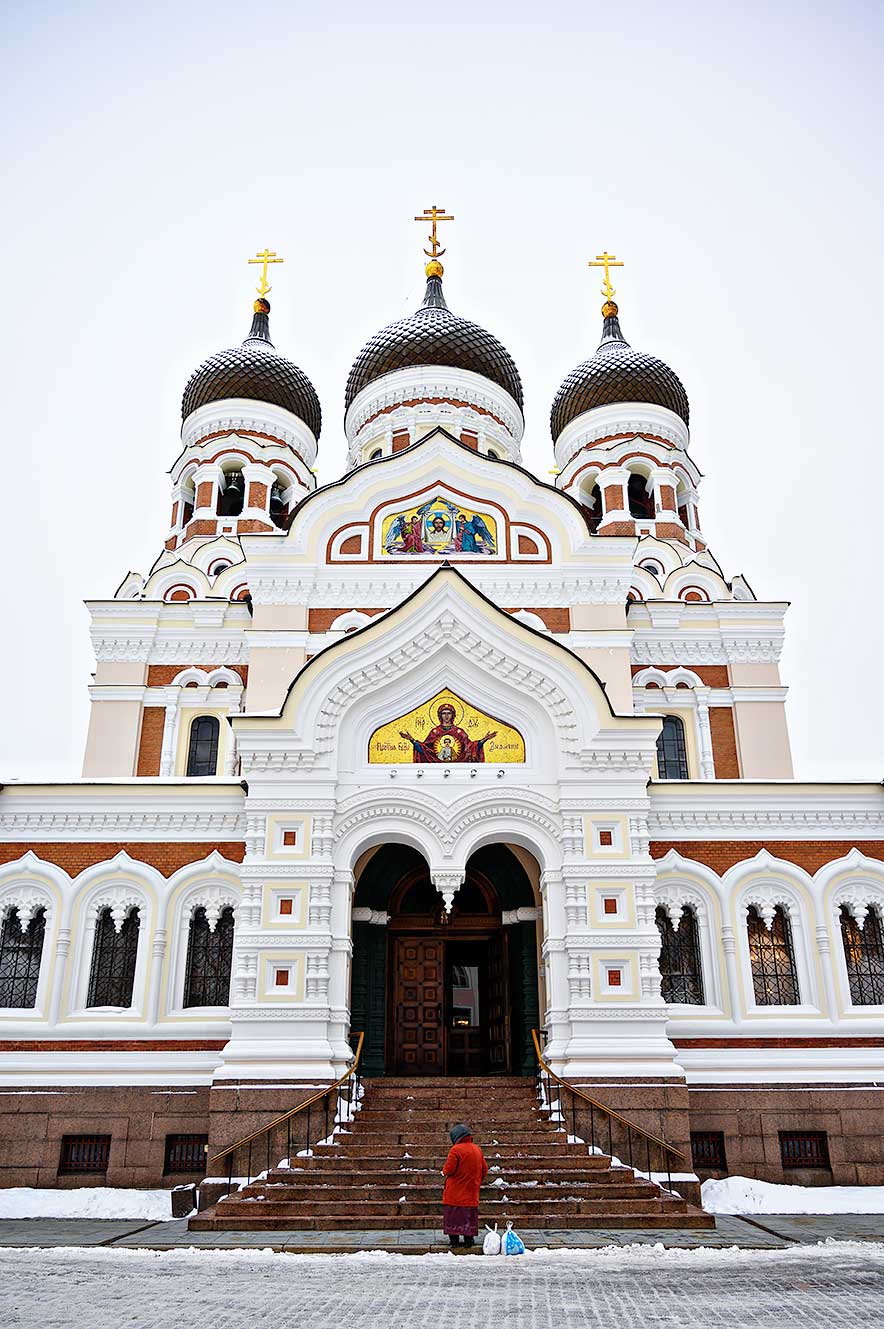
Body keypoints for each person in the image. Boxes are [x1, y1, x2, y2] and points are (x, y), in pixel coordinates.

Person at [442, 1122, 488, 1248]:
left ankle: (455, 1242)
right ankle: (469, 1241)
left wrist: (443, 1171)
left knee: (454, 1218)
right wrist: (476, 1181)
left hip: (455, 1194)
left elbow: (449, 1169)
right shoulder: (477, 1149)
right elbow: (485, 1169)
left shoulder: (455, 1150)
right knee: (469, 1218)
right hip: (471, 1193)